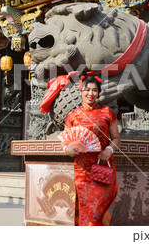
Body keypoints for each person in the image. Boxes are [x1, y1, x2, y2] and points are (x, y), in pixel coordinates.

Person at [62, 74, 121, 226]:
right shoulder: (73, 115)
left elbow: (116, 138)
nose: (91, 93)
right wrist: (68, 150)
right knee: (85, 207)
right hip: (82, 169)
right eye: (87, 90)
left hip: (102, 166)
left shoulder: (107, 112)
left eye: (95, 90)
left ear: (99, 92)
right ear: (81, 91)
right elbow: (65, 142)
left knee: (98, 210)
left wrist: (109, 149)